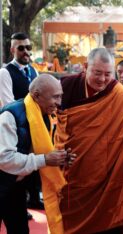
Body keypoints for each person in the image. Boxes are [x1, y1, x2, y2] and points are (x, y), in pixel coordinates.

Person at [54, 47, 123, 233]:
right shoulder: (65, 86)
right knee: (67, 217)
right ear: (85, 67)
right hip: (71, 167)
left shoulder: (118, 93)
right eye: (97, 73)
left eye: (108, 74)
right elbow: (50, 118)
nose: (103, 79)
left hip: (104, 172)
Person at [0, 74, 76, 234]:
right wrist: (45, 160)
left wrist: (61, 159)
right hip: (3, 181)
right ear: (36, 96)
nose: (59, 102)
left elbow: (45, 150)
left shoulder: (47, 117)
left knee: (19, 229)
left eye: (60, 96)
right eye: (55, 97)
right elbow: (4, 159)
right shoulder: (10, 116)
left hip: (17, 185)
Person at [0, 32, 42, 218]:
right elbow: (7, 103)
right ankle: (17, 208)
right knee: (15, 169)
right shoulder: (4, 72)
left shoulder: (34, 71)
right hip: (13, 127)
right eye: (21, 48)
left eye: (28, 47)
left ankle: (33, 199)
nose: (26, 52)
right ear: (12, 50)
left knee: (32, 165)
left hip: (33, 126)